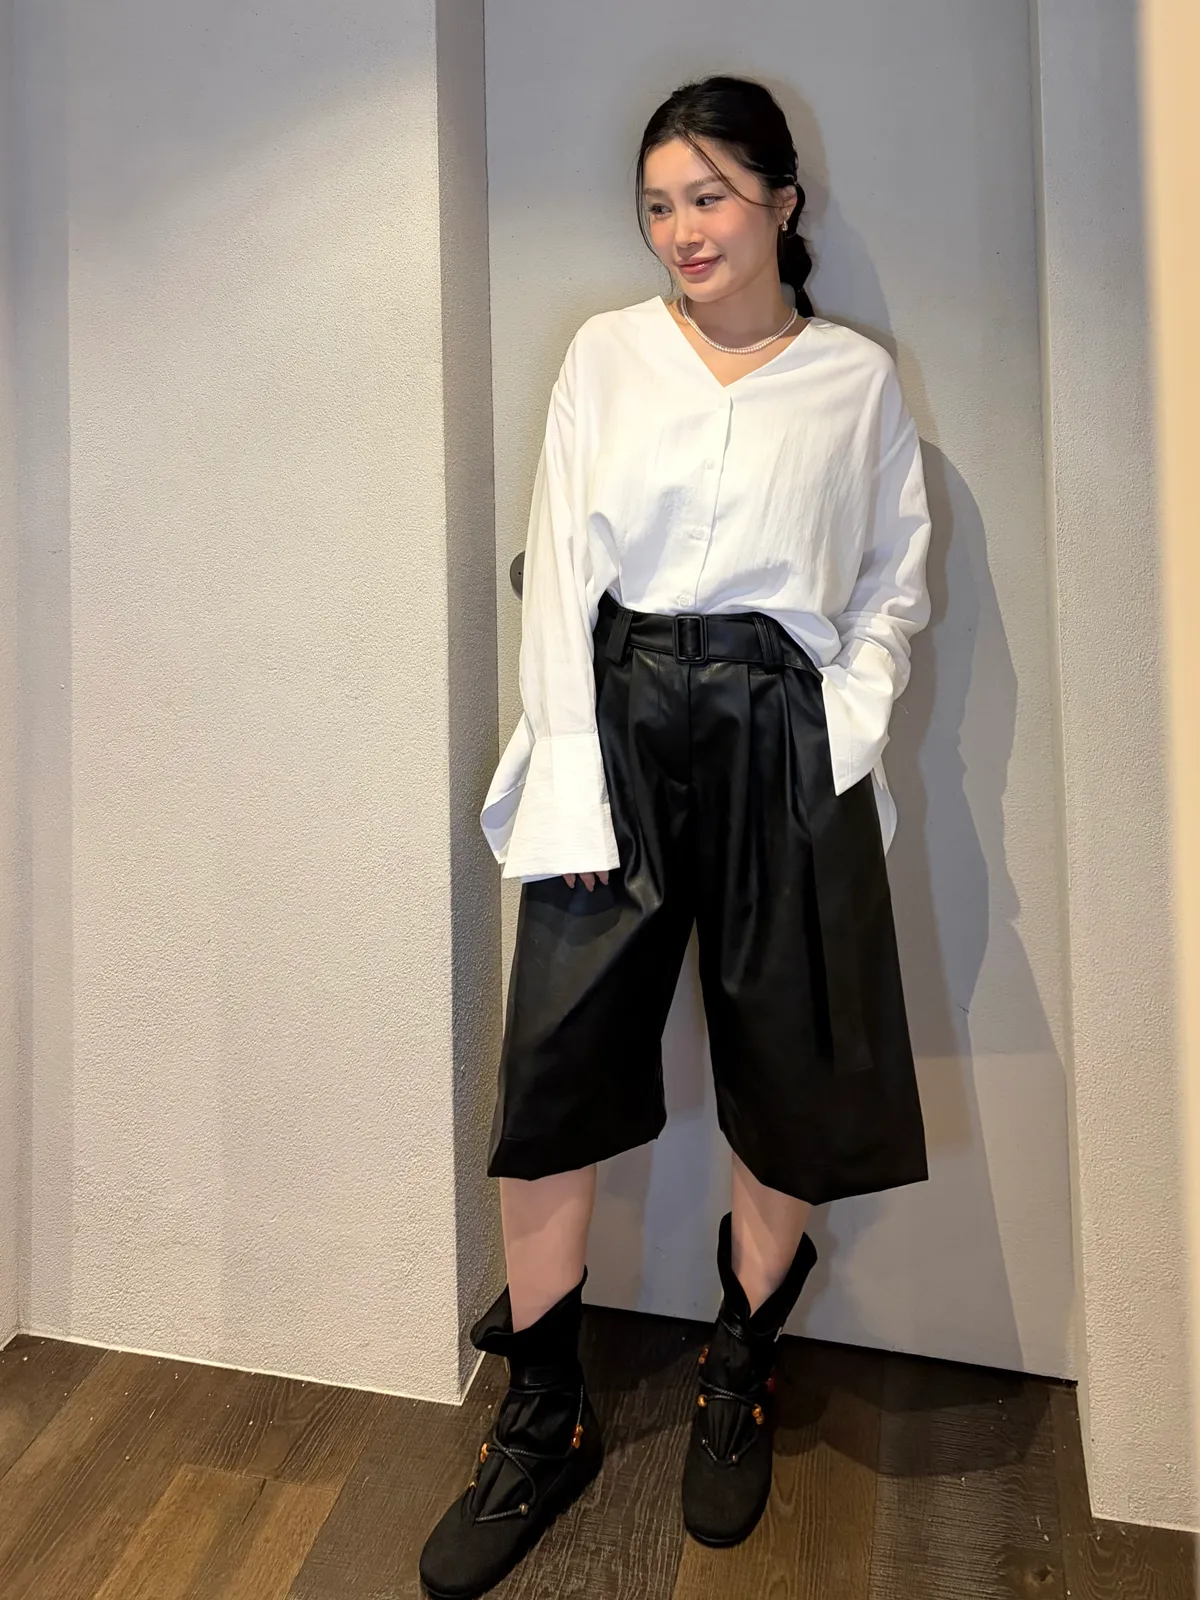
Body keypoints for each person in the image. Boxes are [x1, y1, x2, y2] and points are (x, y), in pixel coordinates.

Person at [418, 72, 932, 1600]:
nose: (681, 230)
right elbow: (559, 569)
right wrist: (574, 783)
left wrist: (843, 724)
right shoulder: (608, 356)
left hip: (784, 732)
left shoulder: (856, 384)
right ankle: (546, 1415)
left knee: (791, 1062)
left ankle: (738, 1362)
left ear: (781, 201)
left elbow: (894, 583)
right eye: (657, 204)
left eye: (708, 196)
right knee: (554, 1069)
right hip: (621, 712)